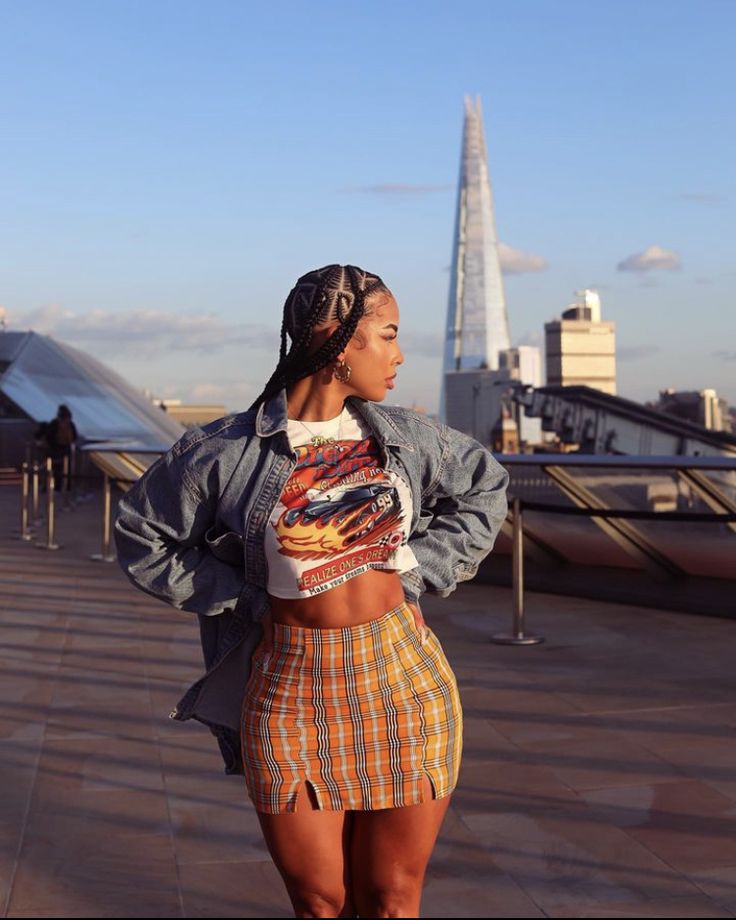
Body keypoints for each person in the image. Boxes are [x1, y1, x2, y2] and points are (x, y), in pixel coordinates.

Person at [113, 264, 509, 918]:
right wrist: (246, 598)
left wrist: (417, 562)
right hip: (290, 688)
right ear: (334, 338)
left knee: (391, 898)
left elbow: (484, 486)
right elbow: (142, 535)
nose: (399, 353)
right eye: (386, 335)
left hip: (403, 681)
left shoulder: (401, 437)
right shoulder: (226, 451)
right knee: (322, 902)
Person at [43, 404, 77, 492]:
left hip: (55, 449)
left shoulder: (54, 423)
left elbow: (49, 436)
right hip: (66, 449)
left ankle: (53, 486)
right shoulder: (70, 423)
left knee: (54, 468)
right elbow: (74, 436)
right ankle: (67, 486)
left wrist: (51, 446)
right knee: (66, 469)